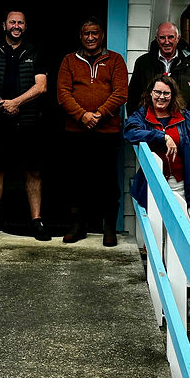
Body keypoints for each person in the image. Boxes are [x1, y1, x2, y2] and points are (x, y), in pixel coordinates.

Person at [124, 73, 190, 311]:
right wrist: (160, 136)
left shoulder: (187, 118)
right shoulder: (141, 117)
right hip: (156, 189)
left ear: (172, 96)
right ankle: (166, 297)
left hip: (187, 186)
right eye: (157, 92)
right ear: (150, 94)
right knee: (161, 241)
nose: (161, 97)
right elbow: (130, 133)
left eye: (166, 93)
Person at [56, 17, 129, 246]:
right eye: (86, 33)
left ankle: (109, 228)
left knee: (106, 181)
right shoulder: (69, 60)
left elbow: (121, 93)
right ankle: (78, 226)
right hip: (75, 132)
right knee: (77, 180)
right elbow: (63, 93)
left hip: (107, 131)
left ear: (102, 35)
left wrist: (98, 113)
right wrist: (82, 115)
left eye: (94, 33)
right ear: (81, 36)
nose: (90, 37)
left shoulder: (115, 60)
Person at [0, 9, 51, 241]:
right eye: (12, 22)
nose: (16, 26)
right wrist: (0, 103)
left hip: (28, 121)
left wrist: (16, 102)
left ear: (25, 26)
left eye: (20, 22)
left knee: (33, 170)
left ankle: (37, 221)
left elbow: (41, 86)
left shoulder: (34, 51)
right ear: (4, 25)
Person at [128, 21, 190, 120]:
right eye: (162, 38)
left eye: (170, 37)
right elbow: (133, 98)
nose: (166, 42)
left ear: (177, 38)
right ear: (157, 39)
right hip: (149, 124)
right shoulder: (143, 63)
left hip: (183, 125)